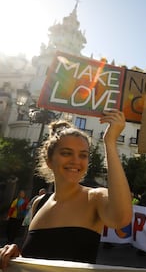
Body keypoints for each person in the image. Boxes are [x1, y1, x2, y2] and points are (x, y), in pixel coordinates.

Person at [0, 110, 132, 269]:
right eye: (66, 153)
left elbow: (121, 218)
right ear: (49, 160)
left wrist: (110, 142)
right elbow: (36, 261)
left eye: (83, 155)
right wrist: (15, 255)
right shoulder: (38, 203)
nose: (76, 160)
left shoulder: (95, 197)